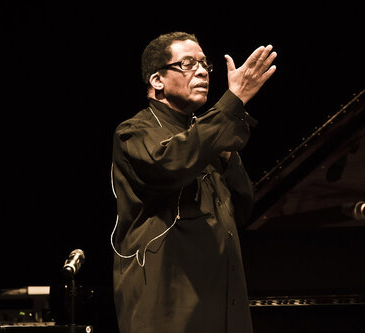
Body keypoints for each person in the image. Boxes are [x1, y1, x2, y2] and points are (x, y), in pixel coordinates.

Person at [110, 31, 277, 333]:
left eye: (204, 63)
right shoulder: (133, 132)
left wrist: (227, 155)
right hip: (170, 307)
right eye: (187, 63)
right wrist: (232, 102)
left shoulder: (209, 136)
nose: (201, 71)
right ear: (157, 80)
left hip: (220, 301)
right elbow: (170, 164)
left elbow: (242, 209)